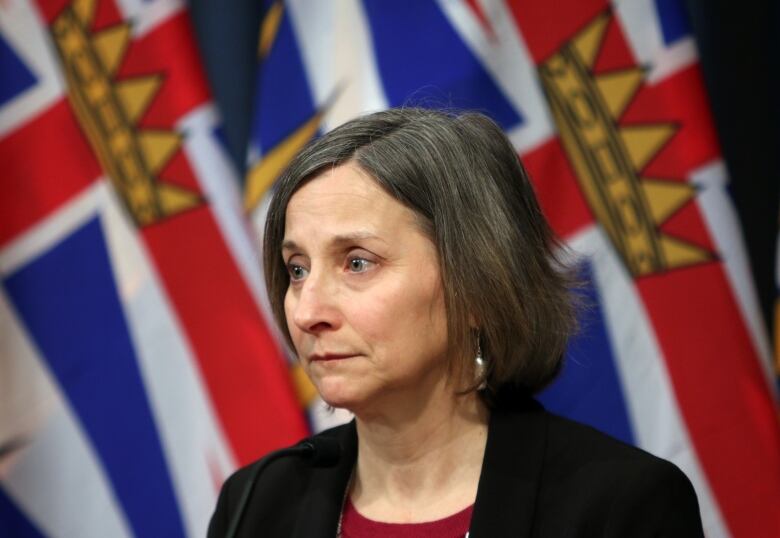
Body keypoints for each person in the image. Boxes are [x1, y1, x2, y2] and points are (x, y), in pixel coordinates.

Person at [208, 108, 704, 537]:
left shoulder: (619, 507)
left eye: (357, 262)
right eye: (297, 269)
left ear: (475, 284)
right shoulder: (257, 503)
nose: (307, 311)